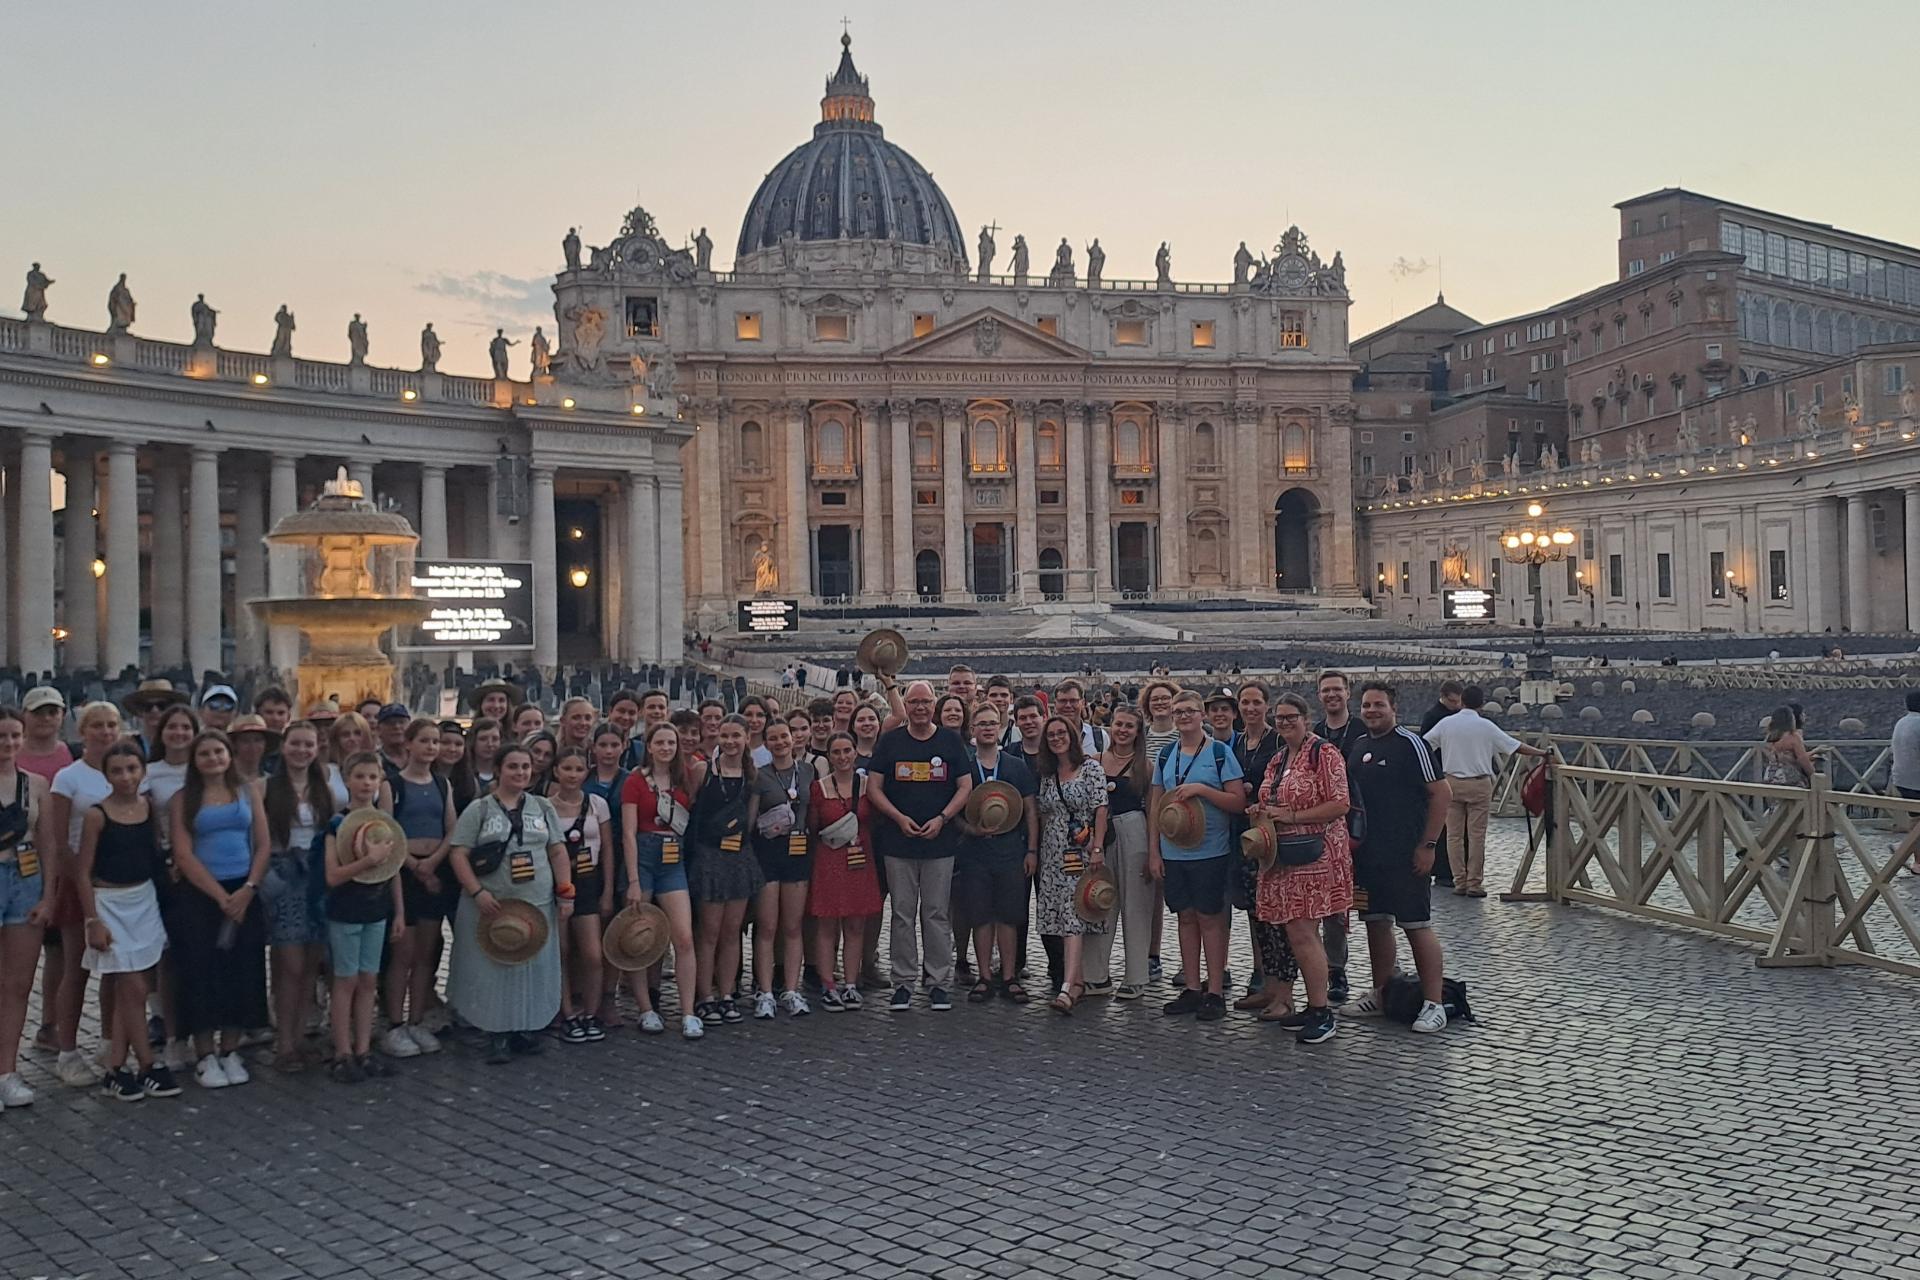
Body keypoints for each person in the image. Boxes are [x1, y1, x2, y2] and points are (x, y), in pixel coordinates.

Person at [447, 743, 572, 1064]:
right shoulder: (480, 809)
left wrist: (565, 891)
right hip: (493, 906)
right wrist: (477, 892)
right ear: (500, 770)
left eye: (525, 767)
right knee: (494, 968)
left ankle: (524, 1029)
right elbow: (458, 852)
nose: (520, 773)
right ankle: (496, 1033)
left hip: (536, 904)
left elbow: (557, 851)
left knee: (531, 967)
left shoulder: (542, 807)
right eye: (513, 767)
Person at [1345, 682, 1451, 1033]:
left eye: (1379, 705)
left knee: (1416, 925)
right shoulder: (1359, 746)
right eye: (1367, 706)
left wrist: (1429, 844)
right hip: (1369, 855)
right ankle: (1382, 991)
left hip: (1407, 853)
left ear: (1394, 709)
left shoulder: (1411, 744)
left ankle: (1435, 1003)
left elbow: (1441, 792)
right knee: (1375, 922)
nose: (1372, 711)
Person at [1249, 693, 1354, 1045]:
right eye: (1279, 719)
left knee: (1304, 932)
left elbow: (1340, 803)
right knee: (1295, 933)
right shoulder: (1279, 758)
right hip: (1284, 856)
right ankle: (1313, 1004)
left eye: (1290, 717)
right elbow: (1271, 801)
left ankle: (1323, 1011)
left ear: (1306, 719)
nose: (1284, 723)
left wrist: (1293, 816)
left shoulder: (1324, 754)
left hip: (1315, 855)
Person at [76, 742, 179, 1100]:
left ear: (142, 771)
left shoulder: (147, 807)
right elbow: (83, 870)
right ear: (106, 776)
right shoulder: (96, 815)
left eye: (132, 769)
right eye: (117, 771)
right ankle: (149, 1063)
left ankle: (116, 1068)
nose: (126, 777)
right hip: (109, 904)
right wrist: (92, 920)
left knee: (132, 991)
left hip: (144, 900)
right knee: (133, 987)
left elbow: (152, 854)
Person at [169, 730, 272, 1087]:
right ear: (195, 761)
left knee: (241, 969)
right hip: (201, 893)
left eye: (218, 752)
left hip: (243, 888)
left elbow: (262, 844)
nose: (213, 759)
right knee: (200, 970)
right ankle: (204, 1053)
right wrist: (219, 896)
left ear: (229, 755)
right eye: (205, 754)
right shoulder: (183, 799)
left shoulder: (247, 792)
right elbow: (182, 853)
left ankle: (230, 1049)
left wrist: (248, 889)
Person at [865, 680, 972, 1013]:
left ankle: (938, 981)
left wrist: (943, 818)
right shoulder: (890, 742)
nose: (920, 708)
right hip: (899, 842)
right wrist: (897, 817)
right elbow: (874, 787)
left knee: (937, 914)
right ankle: (903, 982)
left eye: (926, 702)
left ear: (934, 704)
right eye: (914, 702)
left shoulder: (950, 741)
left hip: (940, 843)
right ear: (906, 706)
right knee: (901, 914)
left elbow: (965, 785)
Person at [1148, 690, 1245, 1022]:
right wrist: (1154, 851)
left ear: (1201, 714)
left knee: (1211, 920)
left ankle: (1215, 990)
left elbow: (1238, 803)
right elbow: (1155, 808)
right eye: (1178, 712)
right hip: (1175, 851)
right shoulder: (1165, 755)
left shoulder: (1219, 754)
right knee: (1185, 918)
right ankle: (1191, 987)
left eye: (1189, 710)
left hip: (1212, 852)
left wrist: (1203, 790)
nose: (1183, 716)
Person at [47, 702, 127, 1086]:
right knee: (76, 967)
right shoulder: (69, 777)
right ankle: (67, 1051)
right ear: (83, 732)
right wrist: (77, 879)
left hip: (118, 878)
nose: (106, 732)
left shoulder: (126, 770)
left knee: (113, 968)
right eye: (97, 725)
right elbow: (60, 840)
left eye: (112, 725)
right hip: (80, 879)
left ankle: (109, 1042)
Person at [321, 753, 406, 1083]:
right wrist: (367, 860)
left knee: (369, 979)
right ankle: (342, 1051)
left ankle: (362, 1047)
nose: (366, 783)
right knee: (346, 980)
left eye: (373, 777)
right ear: (347, 780)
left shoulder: (385, 823)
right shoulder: (336, 823)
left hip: (377, 909)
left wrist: (399, 911)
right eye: (360, 776)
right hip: (345, 909)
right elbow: (333, 876)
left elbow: (394, 867)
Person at [1421, 685, 1550, 898]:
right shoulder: (1486, 726)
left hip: (1451, 782)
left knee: (1453, 836)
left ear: (1461, 701)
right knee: (1476, 835)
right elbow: (1515, 746)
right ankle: (1474, 883)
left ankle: (1459, 881)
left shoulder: (1446, 724)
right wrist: (1542, 753)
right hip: (1479, 784)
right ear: (1481, 704)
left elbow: (1424, 745)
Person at [620, 722, 703, 1038]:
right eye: (660, 742)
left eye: (672, 742)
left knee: (683, 937)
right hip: (643, 859)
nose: (667, 748)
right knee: (640, 938)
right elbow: (628, 832)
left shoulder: (685, 779)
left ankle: (687, 1012)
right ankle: (646, 1009)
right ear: (649, 746)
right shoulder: (635, 781)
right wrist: (632, 880)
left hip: (673, 862)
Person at [259, 720, 331, 1073]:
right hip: (285, 877)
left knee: (310, 963)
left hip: (316, 878)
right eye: (296, 744)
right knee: (290, 965)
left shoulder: (323, 788)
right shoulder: (265, 788)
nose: (302, 751)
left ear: (317, 749)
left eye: (309, 745)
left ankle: (300, 1036)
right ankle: (283, 1040)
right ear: (283, 747)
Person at [952, 706, 1037, 1004]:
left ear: (1000, 726)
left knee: (1009, 916)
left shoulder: (1015, 765)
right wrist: (971, 830)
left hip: (1011, 851)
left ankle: (1009, 975)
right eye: (981, 724)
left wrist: (1031, 850)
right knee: (981, 916)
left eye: (992, 723)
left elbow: (1030, 811)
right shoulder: (963, 765)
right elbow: (954, 812)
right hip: (975, 853)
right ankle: (985, 975)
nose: (987, 728)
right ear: (973, 728)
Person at [381, 719, 455, 1058]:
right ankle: (395, 1023)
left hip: (434, 869)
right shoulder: (391, 785)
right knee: (404, 953)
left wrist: (433, 862)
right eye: (424, 741)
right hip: (404, 871)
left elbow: (451, 829)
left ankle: (416, 1019)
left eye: (435, 741)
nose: (431, 747)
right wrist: (414, 865)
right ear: (409, 744)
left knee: (426, 953)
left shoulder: (442, 784)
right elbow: (387, 831)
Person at [0, 706, 59, 1109]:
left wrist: (49, 895)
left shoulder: (35, 784)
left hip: (25, 881)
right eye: (1, 736)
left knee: (18, 985)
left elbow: (48, 843)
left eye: (14, 736)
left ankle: (7, 1071)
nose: (8, 744)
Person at [689, 715, 762, 1024]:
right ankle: (705, 994)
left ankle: (727, 992)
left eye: (736, 736)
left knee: (732, 932)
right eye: (725, 735)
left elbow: (750, 820)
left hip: (738, 857)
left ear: (747, 737)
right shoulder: (702, 770)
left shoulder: (752, 775)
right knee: (709, 933)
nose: (730, 742)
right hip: (709, 855)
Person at [1034, 716, 1108, 1013]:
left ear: (1072, 736)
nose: (1056, 738)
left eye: (1061, 733)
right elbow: (1044, 814)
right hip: (1052, 854)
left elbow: (1101, 808)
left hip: (1080, 850)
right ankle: (1075, 981)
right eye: (1050, 735)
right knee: (1063, 919)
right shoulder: (1048, 774)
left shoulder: (1090, 768)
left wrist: (1098, 847)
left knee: (1074, 915)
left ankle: (1067, 987)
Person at [1229, 681, 1292, 1015]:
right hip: (1246, 838)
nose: (1250, 708)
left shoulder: (1278, 741)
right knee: (1256, 913)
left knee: (1278, 916)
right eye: (1245, 702)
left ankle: (1285, 992)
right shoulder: (1236, 742)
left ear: (1266, 706)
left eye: (1256, 702)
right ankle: (1266, 982)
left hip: (1272, 839)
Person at [807, 732, 881, 1007]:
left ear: (854, 753)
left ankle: (851, 983)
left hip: (860, 859)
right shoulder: (820, 787)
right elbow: (814, 826)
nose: (842, 757)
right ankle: (828, 983)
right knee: (827, 924)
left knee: (855, 923)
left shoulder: (867, 785)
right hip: (829, 860)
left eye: (847, 751)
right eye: (836, 752)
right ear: (829, 755)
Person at [749, 719, 814, 1017]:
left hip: (798, 853)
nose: (780, 742)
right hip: (768, 853)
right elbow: (751, 821)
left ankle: (791, 988)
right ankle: (764, 992)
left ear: (793, 738)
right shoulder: (759, 776)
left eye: (784, 736)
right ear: (766, 743)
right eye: (773, 738)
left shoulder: (808, 770)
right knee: (768, 926)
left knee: (792, 926)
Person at [547, 746, 612, 1043]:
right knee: (561, 952)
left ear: (587, 772)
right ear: (556, 771)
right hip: (556, 885)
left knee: (592, 954)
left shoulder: (597, 804)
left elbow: (609, 850)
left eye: (578, 769)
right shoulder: (544, 806)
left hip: (588, 883)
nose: (573, 775)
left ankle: (591, 1011)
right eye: (567, 769)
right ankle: (567, 1013)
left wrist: (608, 890)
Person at [1089, 705, 1153, 999]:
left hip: (1134, 830)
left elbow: (1153, 811)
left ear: (1138, 732)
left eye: (1129, 726)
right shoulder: (1095, 761)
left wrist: (1154, 851)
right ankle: (1096, 975)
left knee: (1136, 904)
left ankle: (1137, 975)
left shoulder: (1146, 767)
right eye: (1119, 724)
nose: (1123, 730)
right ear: (1110, 726)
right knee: (1098, 903)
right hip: (1100, 834)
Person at [20, 686, 74, 781]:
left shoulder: (76, 755)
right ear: (23, 715)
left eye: (52, 712)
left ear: (63, 715)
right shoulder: (8, 754)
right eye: (37, 713)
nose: (46, 718)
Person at [1759, 706, 1816, 788]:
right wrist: (1813, 775)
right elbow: (1802, 759)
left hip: (1771, 777)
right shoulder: (1793, 737)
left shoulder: (1769, 737)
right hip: (1789, 778)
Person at [467, 718, 503, 795]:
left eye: (495, 739)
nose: (490, 744)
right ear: (473, 741)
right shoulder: (463, 774)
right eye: (483, 739)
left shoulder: (505, 774)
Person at [374, 704, 411, 771]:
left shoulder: (420, 757)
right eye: (390, 723)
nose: (397, 726)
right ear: (378, 730)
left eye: (401, 722)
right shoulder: (372, 761)